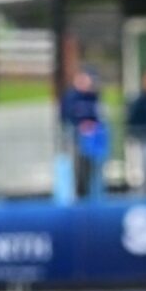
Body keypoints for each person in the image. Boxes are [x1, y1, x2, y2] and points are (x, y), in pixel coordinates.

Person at [60, 66, 107, 199]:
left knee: (92, 167)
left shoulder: (93, 97)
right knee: (76, 166)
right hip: (75, 138)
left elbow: (98, 115)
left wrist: (93, 125)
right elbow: (67, 116)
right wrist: (80, 125)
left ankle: (91, 193)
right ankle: (77, 194)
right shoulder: (70, 97)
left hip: (92, 140)